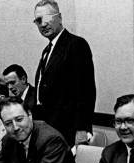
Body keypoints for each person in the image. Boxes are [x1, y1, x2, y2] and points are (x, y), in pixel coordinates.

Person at [33, 0, 96, 146]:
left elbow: (86, 91)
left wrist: (82, 129)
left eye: (47, 18)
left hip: (68, 131)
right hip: (48, 129)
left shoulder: (76, 44)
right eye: (38, 20)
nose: (43, 24)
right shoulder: (47, 51)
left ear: (59, 17)